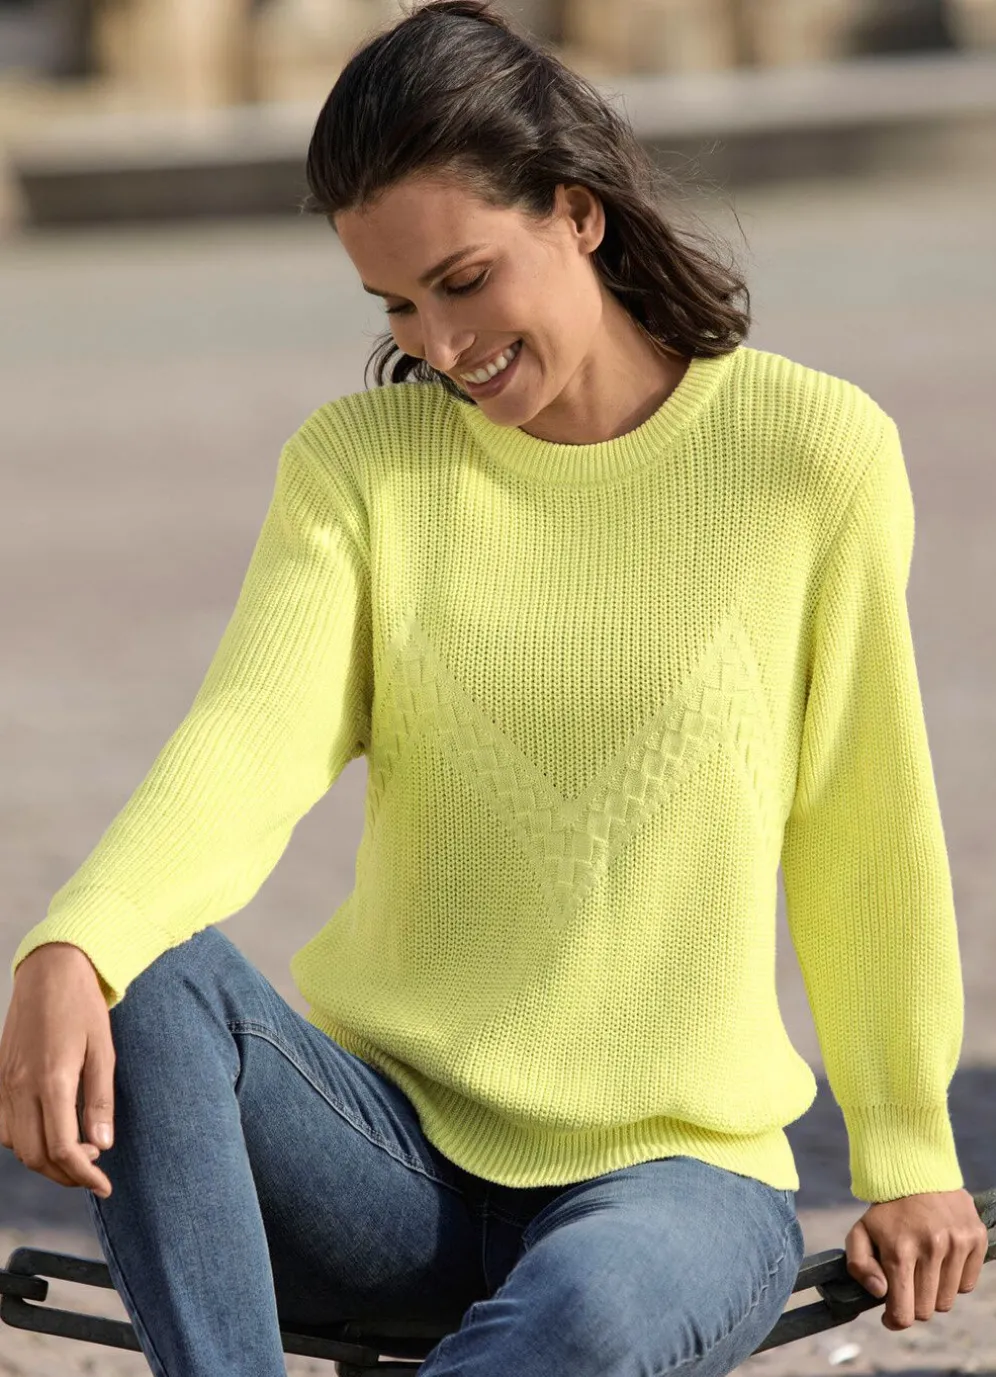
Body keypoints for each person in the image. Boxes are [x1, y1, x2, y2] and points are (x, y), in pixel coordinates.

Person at [0, 2, 987, 1375]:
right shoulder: (362, 467)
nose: (440, 343)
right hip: (383, 1167)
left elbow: (863, 820)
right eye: (397, 305)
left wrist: (909, 1149)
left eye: (463, 281)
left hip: (676, 1183)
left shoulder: (811, 455)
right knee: (140, 975)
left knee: (589, 1312)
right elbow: (245, 745)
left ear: (577, 212)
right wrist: (73, 944)